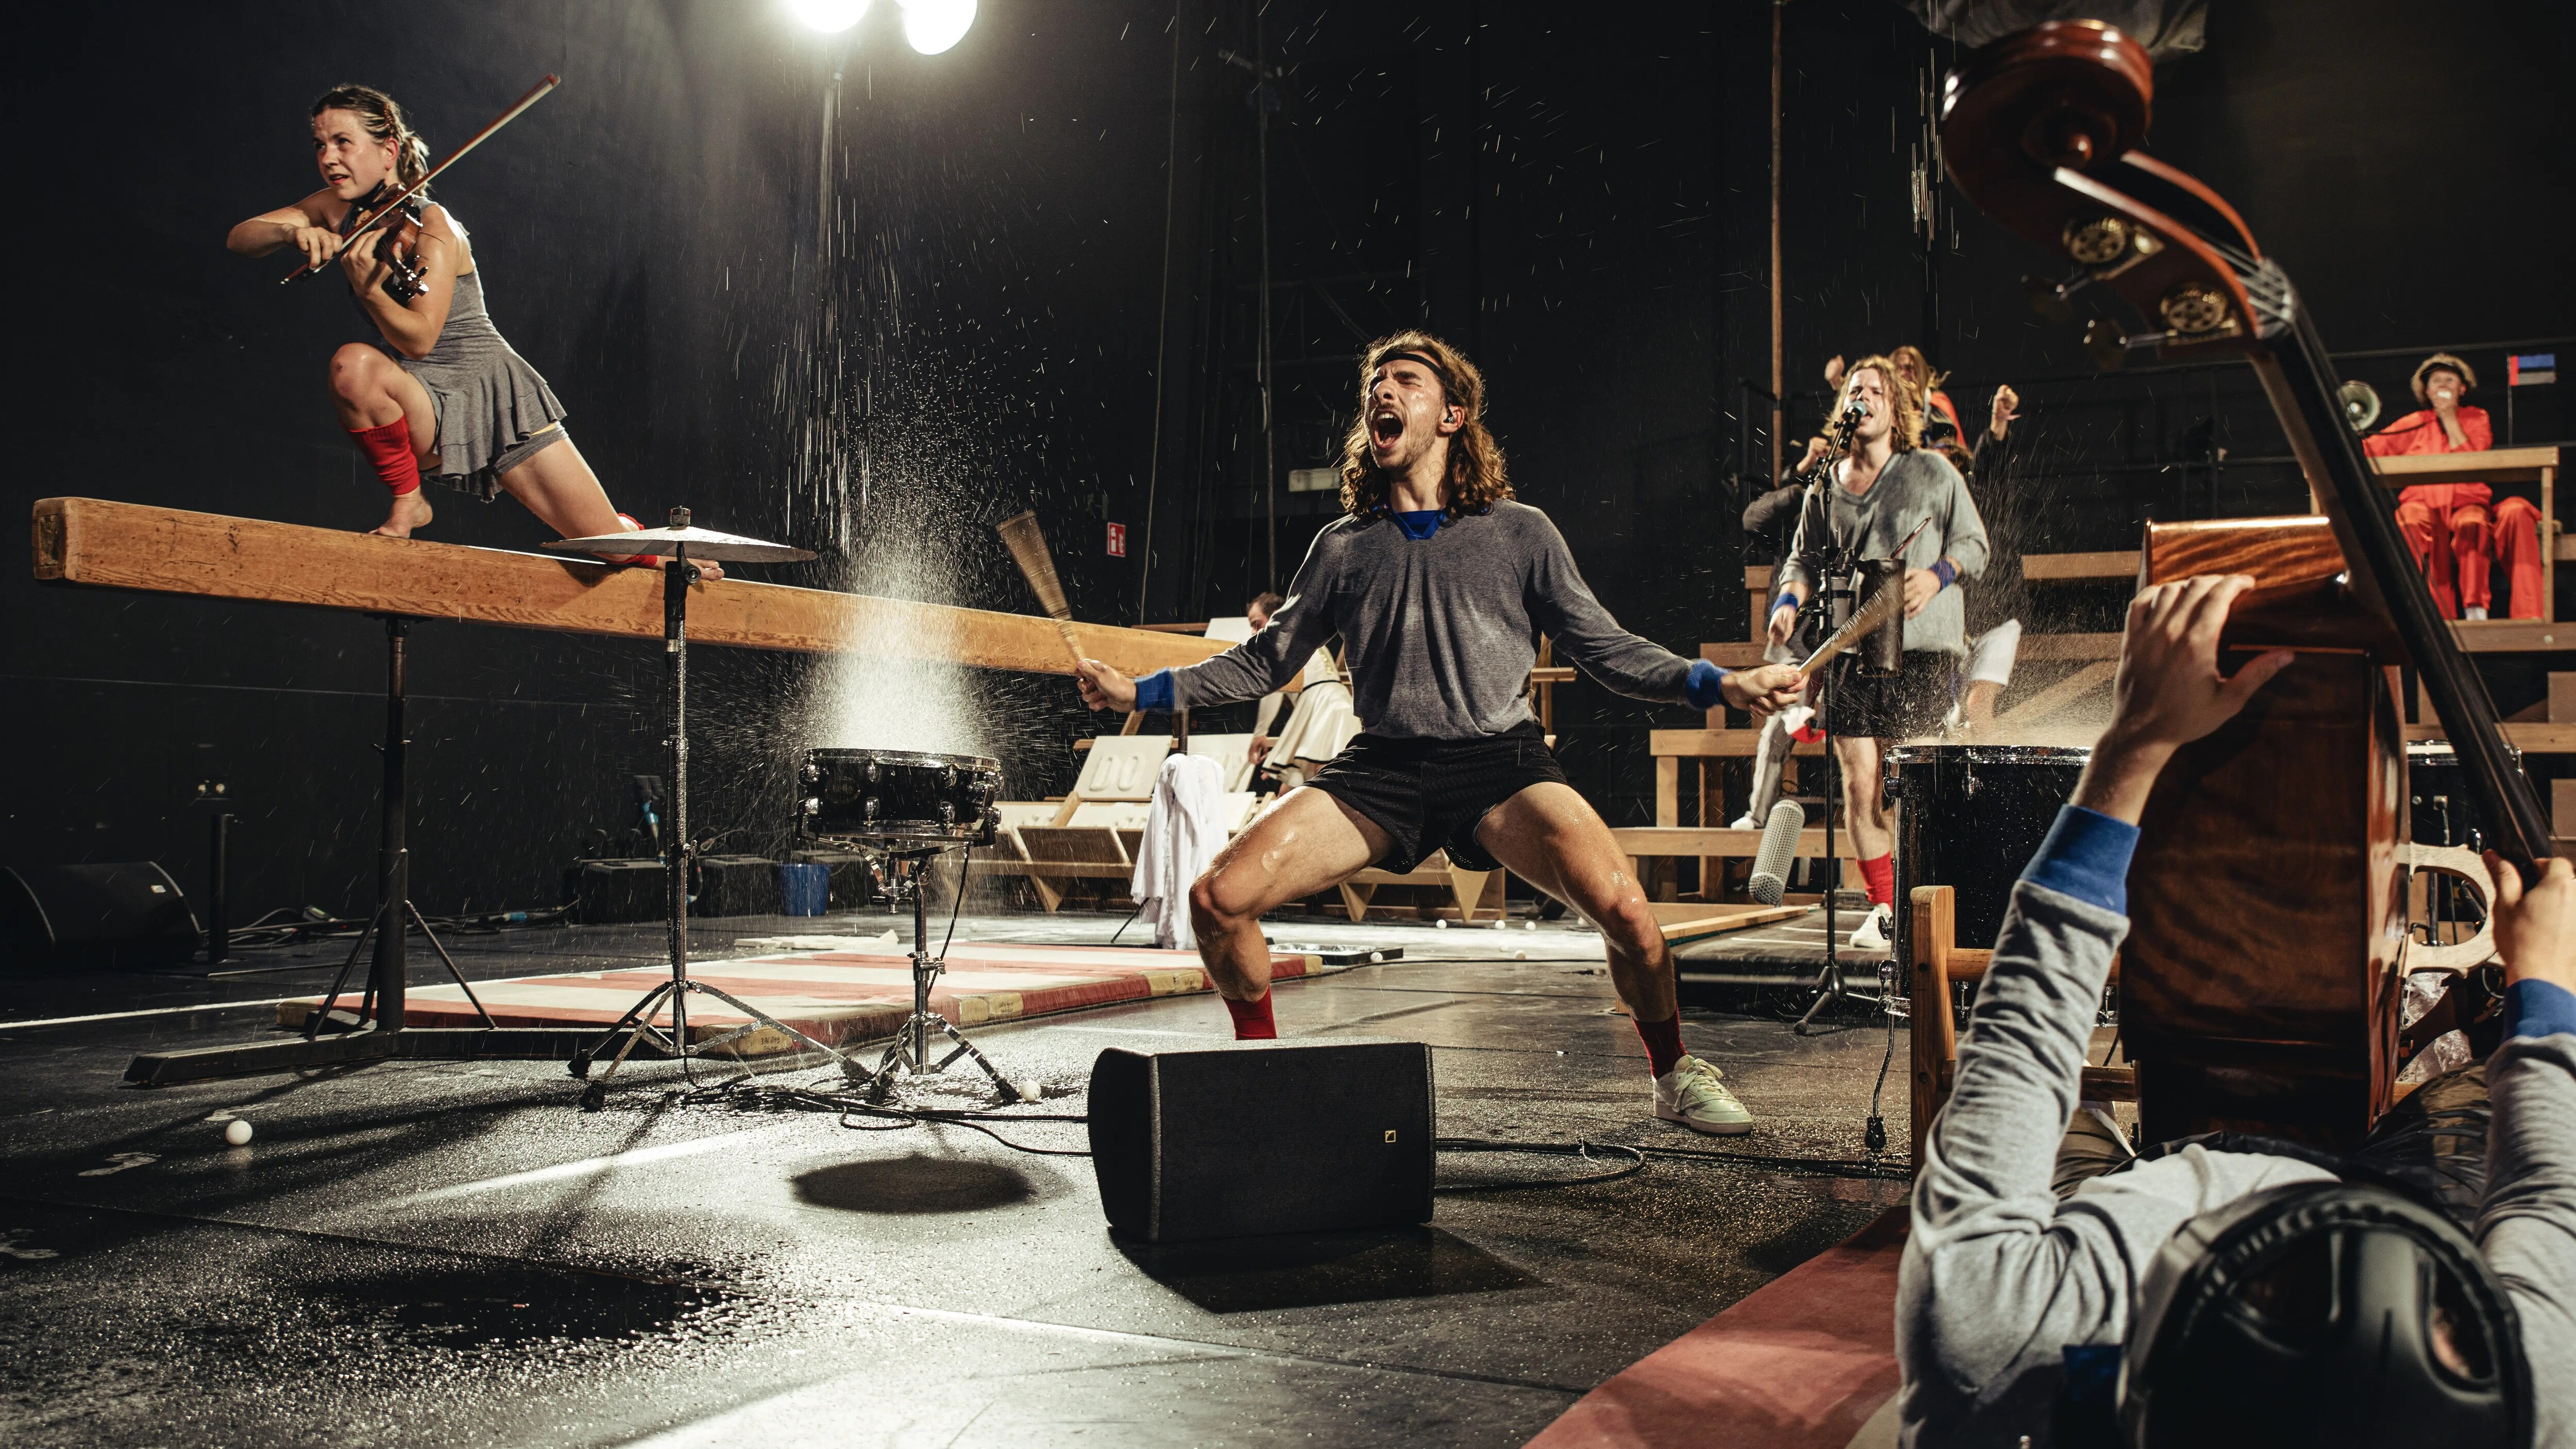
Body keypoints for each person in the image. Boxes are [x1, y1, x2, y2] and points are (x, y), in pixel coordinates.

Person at [1899, 572, 2575, 1445]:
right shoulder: (2523, 1396)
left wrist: (2133, 745)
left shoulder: (1994, 1349)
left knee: (2047, 1119)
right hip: (2381, 1196)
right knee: (2470, 1102)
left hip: (2159, 1191)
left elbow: (2020, 1042)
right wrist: (2546, 994)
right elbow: (2548, 1204)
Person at [1075, 332, 1804, 1136]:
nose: (1382, 391)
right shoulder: (1343, 549)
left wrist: (1721, 684)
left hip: (1501, 763)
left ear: (1453, 415)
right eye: (1375, 383)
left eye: (1406, 380)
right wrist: (1136, 689)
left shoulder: (1521, 533)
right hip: (1382, 768)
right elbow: (1264, 662)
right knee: (1218, 898)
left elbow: (1608, 649)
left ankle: (1673, 1073)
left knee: (1630, 914)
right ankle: (1264, 1074)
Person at [225, 85, 680, 569]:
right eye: (320, 145)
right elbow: (240, 238)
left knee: (610, 547)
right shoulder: (336, 209)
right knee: (353, 366)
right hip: (422, 397)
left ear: (389, 152)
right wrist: (293, 231)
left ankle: (663, 550)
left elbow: (419, 340)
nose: (329, 158)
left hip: (488, 387)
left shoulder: (435, 226)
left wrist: (371, 290)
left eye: (343, 142)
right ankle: (410, 500)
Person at [1768, 357, 1990, 951]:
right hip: (1848, 650)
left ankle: (1926, 902)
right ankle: (1886, 907)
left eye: (1873, 390)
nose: (1860, 397)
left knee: (1905, 784)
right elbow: (1801, 561)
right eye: (1851, 390)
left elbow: (1975, 543)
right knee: (1859, 783)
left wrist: (1938, 574)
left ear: (1895, 410)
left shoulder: (1932, 472)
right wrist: (1787, 602)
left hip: (1919, 650)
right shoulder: (1824, 486)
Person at [2366, 353, 2537, 620]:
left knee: (2473, 525)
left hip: (2465, 505)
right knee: (2406, 522)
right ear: (2427, 390)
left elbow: (2473, 455)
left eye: (2450, 380)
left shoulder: (2476, 417)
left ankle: (2475, 610)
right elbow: (2371, 449)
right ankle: (2409, 612)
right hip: (2422, 507)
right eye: (2436, 381)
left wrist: (2449, 419)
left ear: (2462, 388)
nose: (2443, 385)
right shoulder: (2413, 423)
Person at [1243, 591, 1288, 766]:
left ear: (1275, 617)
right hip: (1335, 707)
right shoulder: (1298, 636)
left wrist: (1261, 732)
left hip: (1320, 710)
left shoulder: (1279, 644)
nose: (1254, 632)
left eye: (1257, 624)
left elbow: (1274, 689)